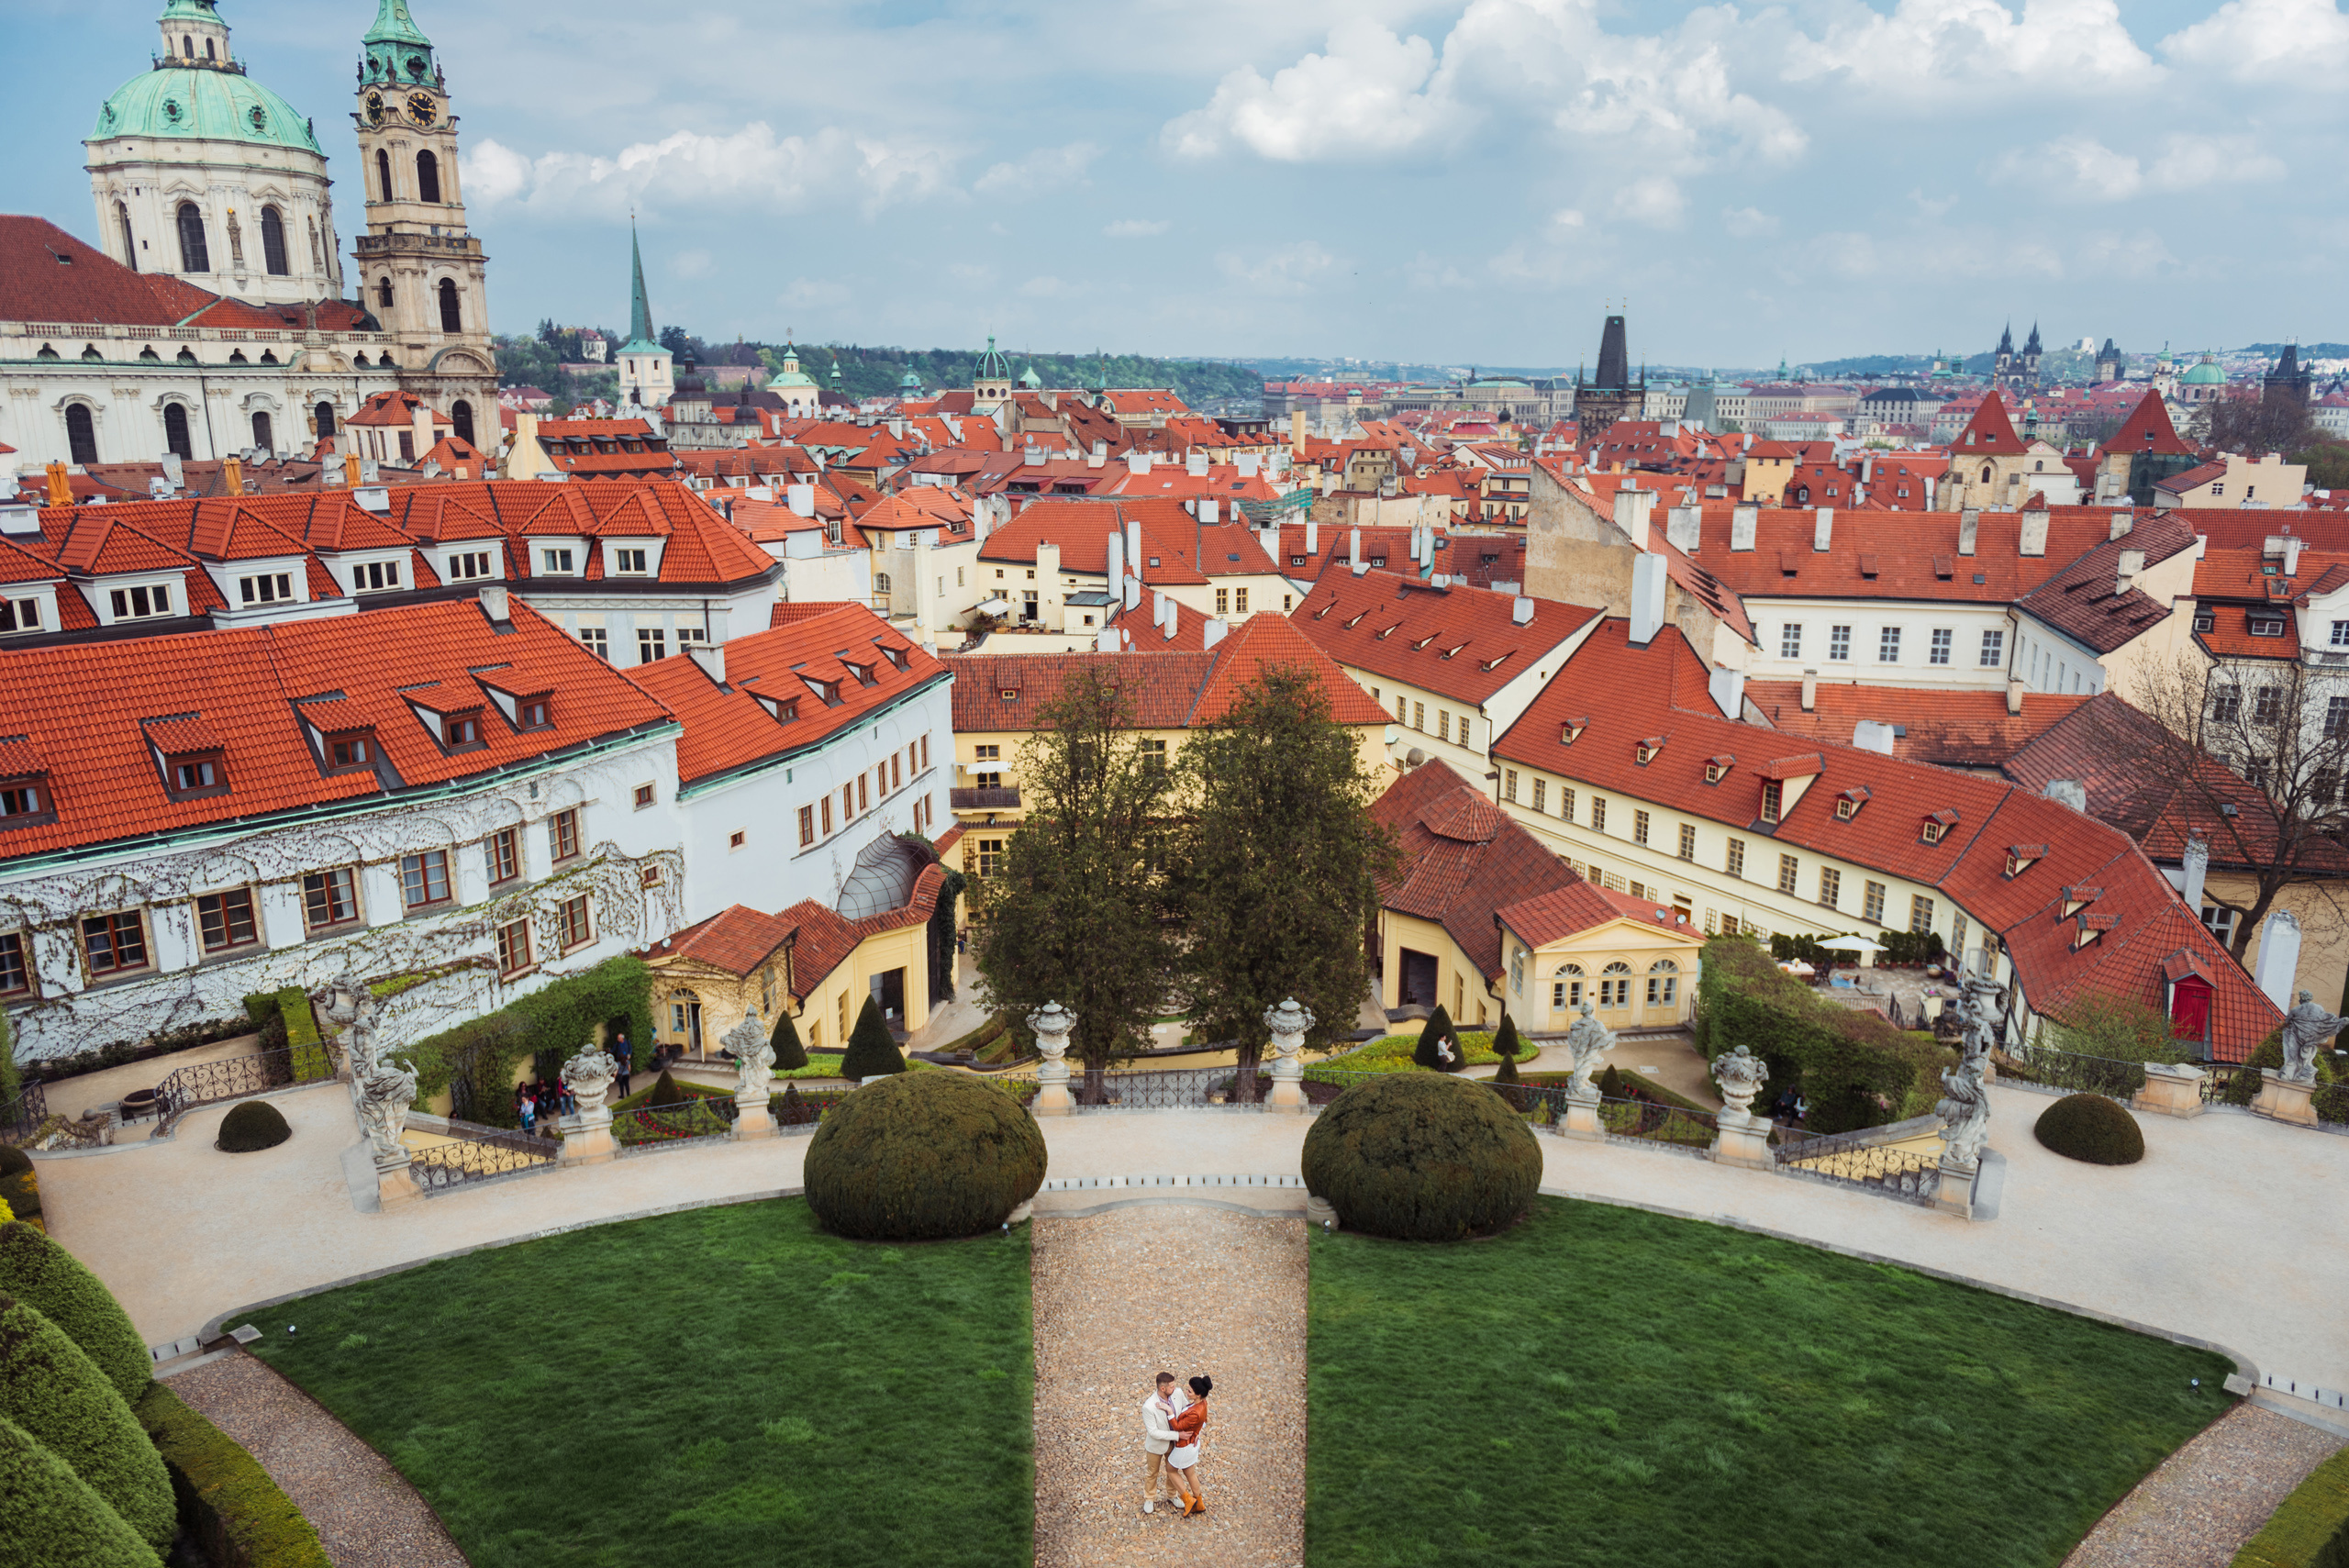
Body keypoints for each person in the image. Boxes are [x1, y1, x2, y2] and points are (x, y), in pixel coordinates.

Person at [1165, 1373, 1211, 1517]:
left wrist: (1169, 1411)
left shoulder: (1194, 1413)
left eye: (1190, 1391)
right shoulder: (1202, 1403)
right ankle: (1199, 1502)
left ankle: (1188, 1500)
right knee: (1189, 1472)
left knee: (1171, 1470)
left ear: (1197, 1395)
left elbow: (1178, 1426)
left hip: (1184, 1446)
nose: (1187, 1392)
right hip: (1192, 1444)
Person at [1139, 1372, 1184, 1515]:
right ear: (1163, 1388)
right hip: (1156, 1445)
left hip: (1175, 1444)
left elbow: (1186, 1410)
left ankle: (1172, 1495)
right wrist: (1177, 1435)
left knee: (1173, 1470)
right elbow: (1153, 1432)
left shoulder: (1178, 1393)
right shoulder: (1149, 1406)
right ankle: (1149, 1498)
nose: (1175, 1387)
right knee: (1152, 1472)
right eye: (1171, 1386)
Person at [612, 1030, 633, 1098]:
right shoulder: (617, 1044)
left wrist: (629, 1054)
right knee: (626, 1084)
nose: (618, 1039)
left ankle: (624, 1095)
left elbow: (630, 1049)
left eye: (619, 1038)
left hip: (626, 1059)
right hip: (620, 1060)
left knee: (623, 1084)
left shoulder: (627, 1042)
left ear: (622, 1038)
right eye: (618, 1038)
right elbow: (613, 1050)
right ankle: (627, 1095)